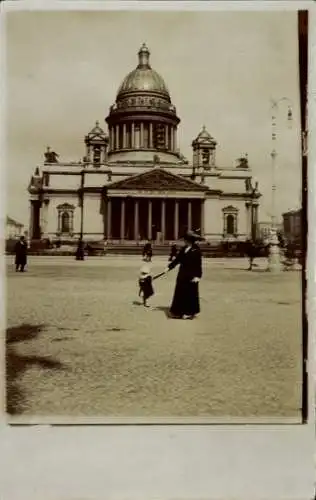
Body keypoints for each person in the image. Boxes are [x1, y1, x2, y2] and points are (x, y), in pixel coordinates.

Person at [164, 230, 203, 320]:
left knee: (190, 294)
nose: (184, 241)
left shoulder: (196, 250)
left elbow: (198, 265)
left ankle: (190, 313)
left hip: (192, 275)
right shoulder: (184, 249)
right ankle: (178, 312)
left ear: (189, 240)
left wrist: (198, 276)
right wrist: (169, 267)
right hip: (182, 274)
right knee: (180, 293)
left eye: (185, 239)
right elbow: (177, 260)